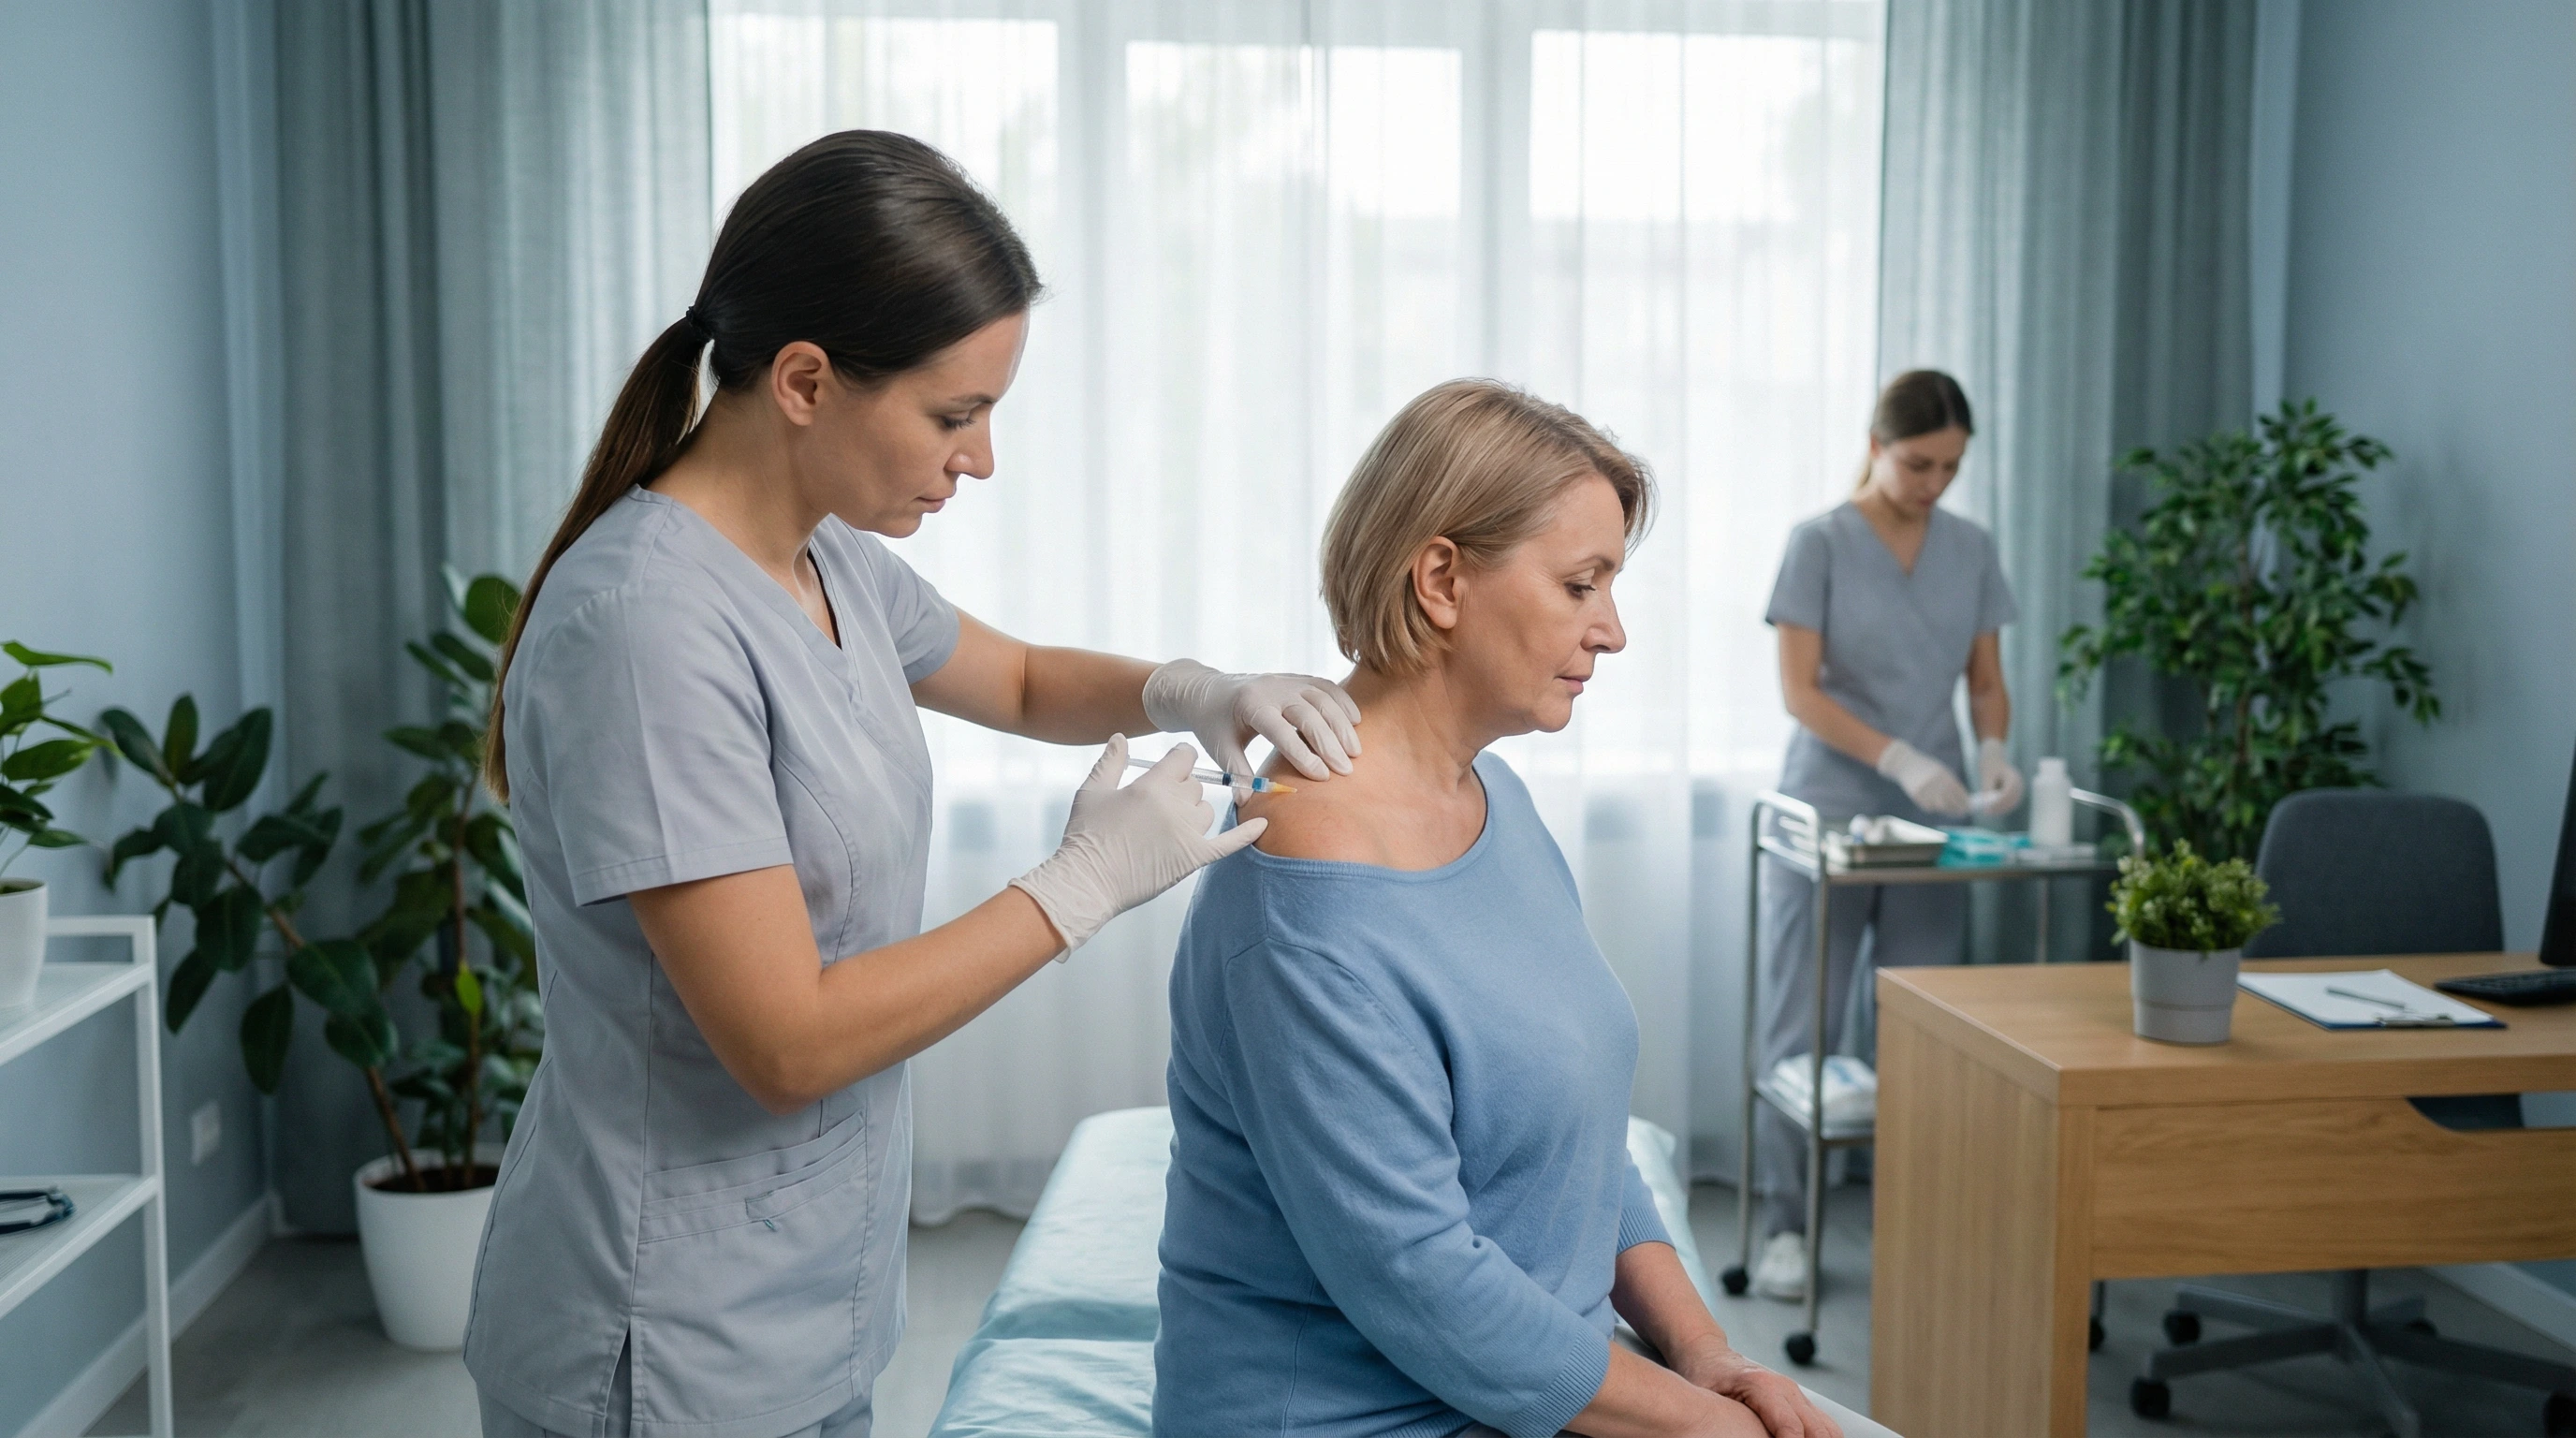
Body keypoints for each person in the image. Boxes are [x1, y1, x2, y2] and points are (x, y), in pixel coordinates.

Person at [461, 131, 1365, 1438]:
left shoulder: (824, 559)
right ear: (807, 381)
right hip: (661, 1342)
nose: (981, 458)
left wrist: (1197, 689)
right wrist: (1084, 884)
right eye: (957, 415)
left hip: (803, 1299)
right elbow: (788, 1042)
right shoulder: (647, 629)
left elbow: (1021, 682)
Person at [1156, 379, 1840, 1438]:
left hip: (1534, 1389)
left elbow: (1574, 1131)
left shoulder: (1490, 801)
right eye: (1580, 584)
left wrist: (1707, 1357)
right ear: (1440, 580)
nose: (1610, 630)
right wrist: (1708, 1427)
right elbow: (1422, 1282)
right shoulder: (1301, 886)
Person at [1747, 369, 2020, 1302]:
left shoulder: (1971, 549)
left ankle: (1923, 1219)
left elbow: (1985, 679)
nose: (1931, 482)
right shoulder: (1817, 545)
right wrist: (1895, 756)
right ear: (1875, 443)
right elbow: (1800, 690)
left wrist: (1990, 748)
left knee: (1922, 1022)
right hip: (1828, 808)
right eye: (1916, 462)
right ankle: (1786, 1227)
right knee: (1805, 1023)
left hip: (1934, 816)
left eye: (1948, 467)